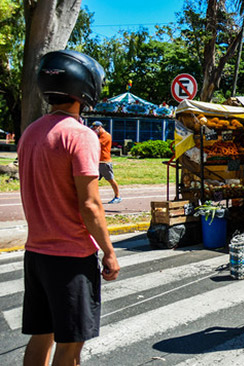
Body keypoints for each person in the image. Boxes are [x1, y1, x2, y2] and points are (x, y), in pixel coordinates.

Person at [19, 50, 120, 366]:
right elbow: (89, 204)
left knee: (41, 338)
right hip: (71, 259)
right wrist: (109, 251)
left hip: (36, 255)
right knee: (70, 348)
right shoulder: (80, 136)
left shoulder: (30, 133)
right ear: (85, 87)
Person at [90, 121, 121, 204]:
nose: (94, 129)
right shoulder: (99, 136)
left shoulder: (106, 136)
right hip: (97, 161)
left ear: (100, 127)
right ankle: (92, 197)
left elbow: (96, 143)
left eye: (95, 128)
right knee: (93, 180)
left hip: (104, 161)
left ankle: (117, 196)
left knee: (110, 179)